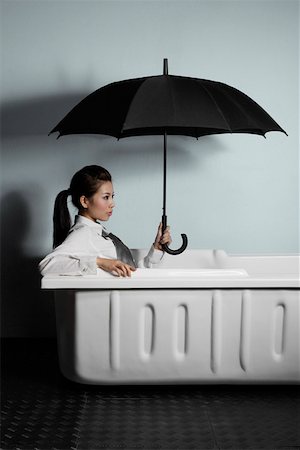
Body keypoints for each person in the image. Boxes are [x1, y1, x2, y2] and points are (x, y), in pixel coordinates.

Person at [39, 165, 172, 277]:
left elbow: (131, 273)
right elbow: (47, 265)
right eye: (106, 197)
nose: (112, 203)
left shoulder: (99, 232)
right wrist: (99, 262)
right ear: (84, 201)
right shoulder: (83, 233)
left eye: (112, 196)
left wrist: (157, 249)